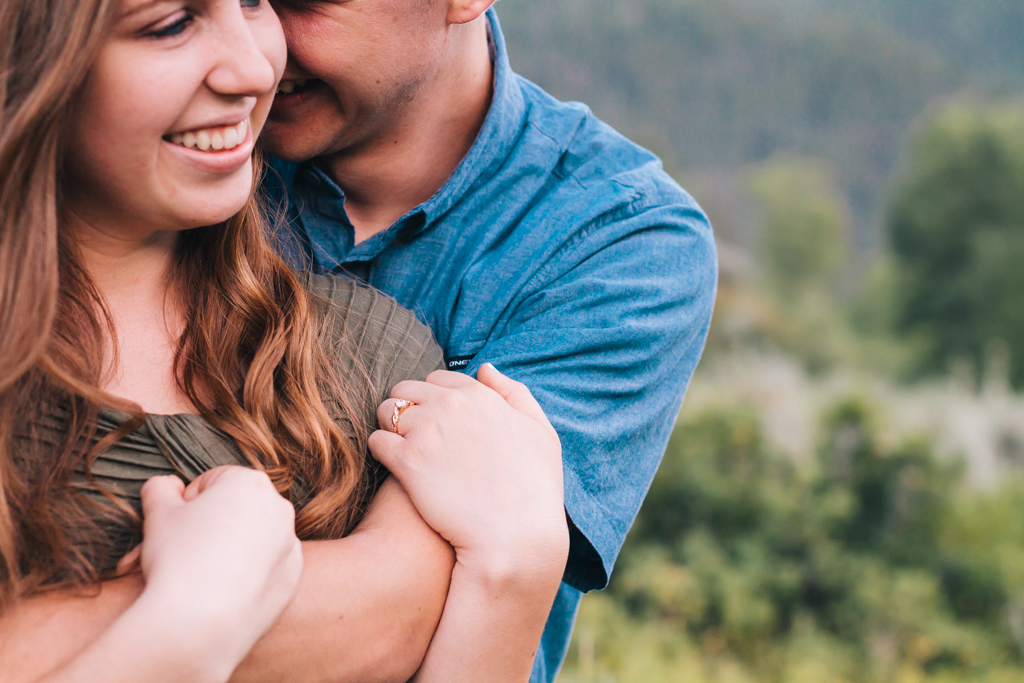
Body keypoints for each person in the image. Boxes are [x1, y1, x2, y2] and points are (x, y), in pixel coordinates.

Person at [0, 0, 568, 681]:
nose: (256, 66)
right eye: (170, 24)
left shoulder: (370, 360)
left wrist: (516, 578)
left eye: (251, 1)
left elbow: (429, 614)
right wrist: (182, 623)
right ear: (30, 62)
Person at [262, 0, 718, 679]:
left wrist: (55, 623)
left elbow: (391, 618)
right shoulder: (185, 134)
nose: (259, 36)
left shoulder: (618, 240)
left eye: (302, 0)